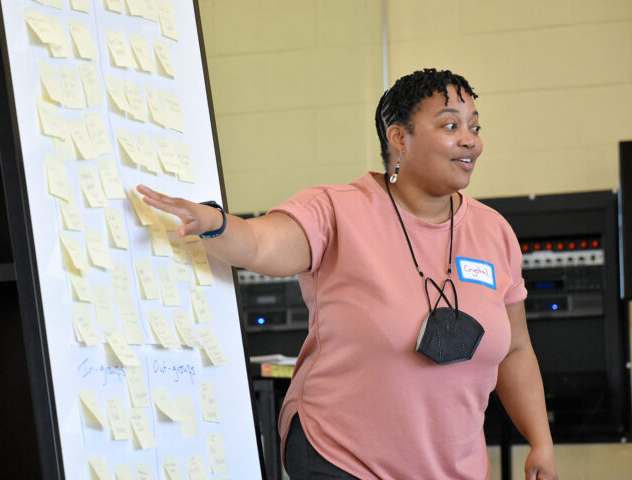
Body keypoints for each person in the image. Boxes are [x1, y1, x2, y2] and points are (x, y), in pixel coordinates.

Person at [138, 68, 558, 480]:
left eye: (475, 127)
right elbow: (259, 244)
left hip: (455, 468)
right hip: (340, 458)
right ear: (399, 137)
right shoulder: (337, 209)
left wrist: (541, 441)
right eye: (451, 125)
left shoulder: (493, 231)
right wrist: (215, 222)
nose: (471, 141)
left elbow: (516, 350)